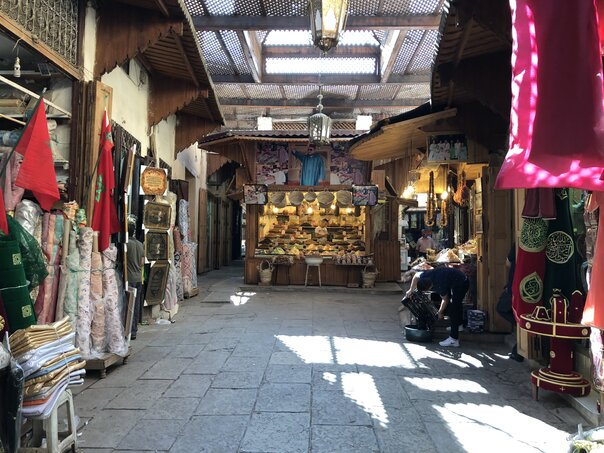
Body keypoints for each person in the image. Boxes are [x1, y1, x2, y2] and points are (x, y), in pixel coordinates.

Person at [406, 266, 470, 347]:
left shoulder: (440, 284)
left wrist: (440, 312)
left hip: (461, 283)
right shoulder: (425, 275)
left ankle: (454, 339)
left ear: (430, 287)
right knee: (456, 304)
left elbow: (445, 300)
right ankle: (459, 325)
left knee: (454, 307)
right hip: (454, 278)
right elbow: (416, 276)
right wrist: (411, 289)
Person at [496, 243, 524, 362]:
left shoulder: (517, 244)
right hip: (520, 284)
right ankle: (521, 328)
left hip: (515, 284)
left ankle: (521, 327)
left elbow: (508, 263)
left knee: (501, 308)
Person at [127, 223, 145, 340]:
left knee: (129, 306)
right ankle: (134, 330)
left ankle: (128, 330)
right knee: (136, 305)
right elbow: (142, 262)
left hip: (130, 278)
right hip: (139, 278)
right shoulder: (139, 244)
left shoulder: (127, 244)